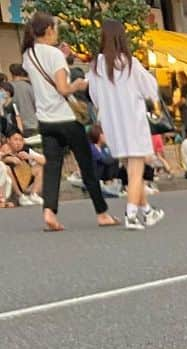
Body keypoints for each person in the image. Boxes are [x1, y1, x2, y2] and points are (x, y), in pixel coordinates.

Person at [21, 11, 116, 231]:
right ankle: (102, 213)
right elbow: (63, 88)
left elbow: (44, 75)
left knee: (53, 166)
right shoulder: (55, 56)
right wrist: (79, 85)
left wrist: (60, 56)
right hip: (66, 118)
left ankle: (49, 211)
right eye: (55, 28)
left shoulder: (28, 55)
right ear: (48, 30)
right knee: (87, 166)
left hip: (45, 120)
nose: (57, 32)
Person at [87, 18, 163, 231]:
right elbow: (150, 89)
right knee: (136, 170)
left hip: (112, 125)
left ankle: (147, 211)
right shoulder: (130, 63)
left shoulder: (96, 66)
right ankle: (131, 214)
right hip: (133, 122)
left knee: (131, 168)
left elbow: (94, 96)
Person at [2, 127, 46, 203]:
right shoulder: (3, 149)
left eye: (20, 140)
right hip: (9, 187)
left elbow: (45, 160)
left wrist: (30, 156)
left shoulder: (25, 150)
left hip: (25, 182)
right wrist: (7, 158)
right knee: (6, 168)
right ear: (8, 140)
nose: (18, 142)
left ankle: (34, 195)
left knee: (40, 166)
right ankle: (20, 197)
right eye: (15, 139)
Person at [8, 65, 40, 146]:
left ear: (12, 73)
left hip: (18, 125)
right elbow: (36, 104)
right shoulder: (29, 86)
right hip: (33, 123)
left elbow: (8, 106)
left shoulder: (9, 87)